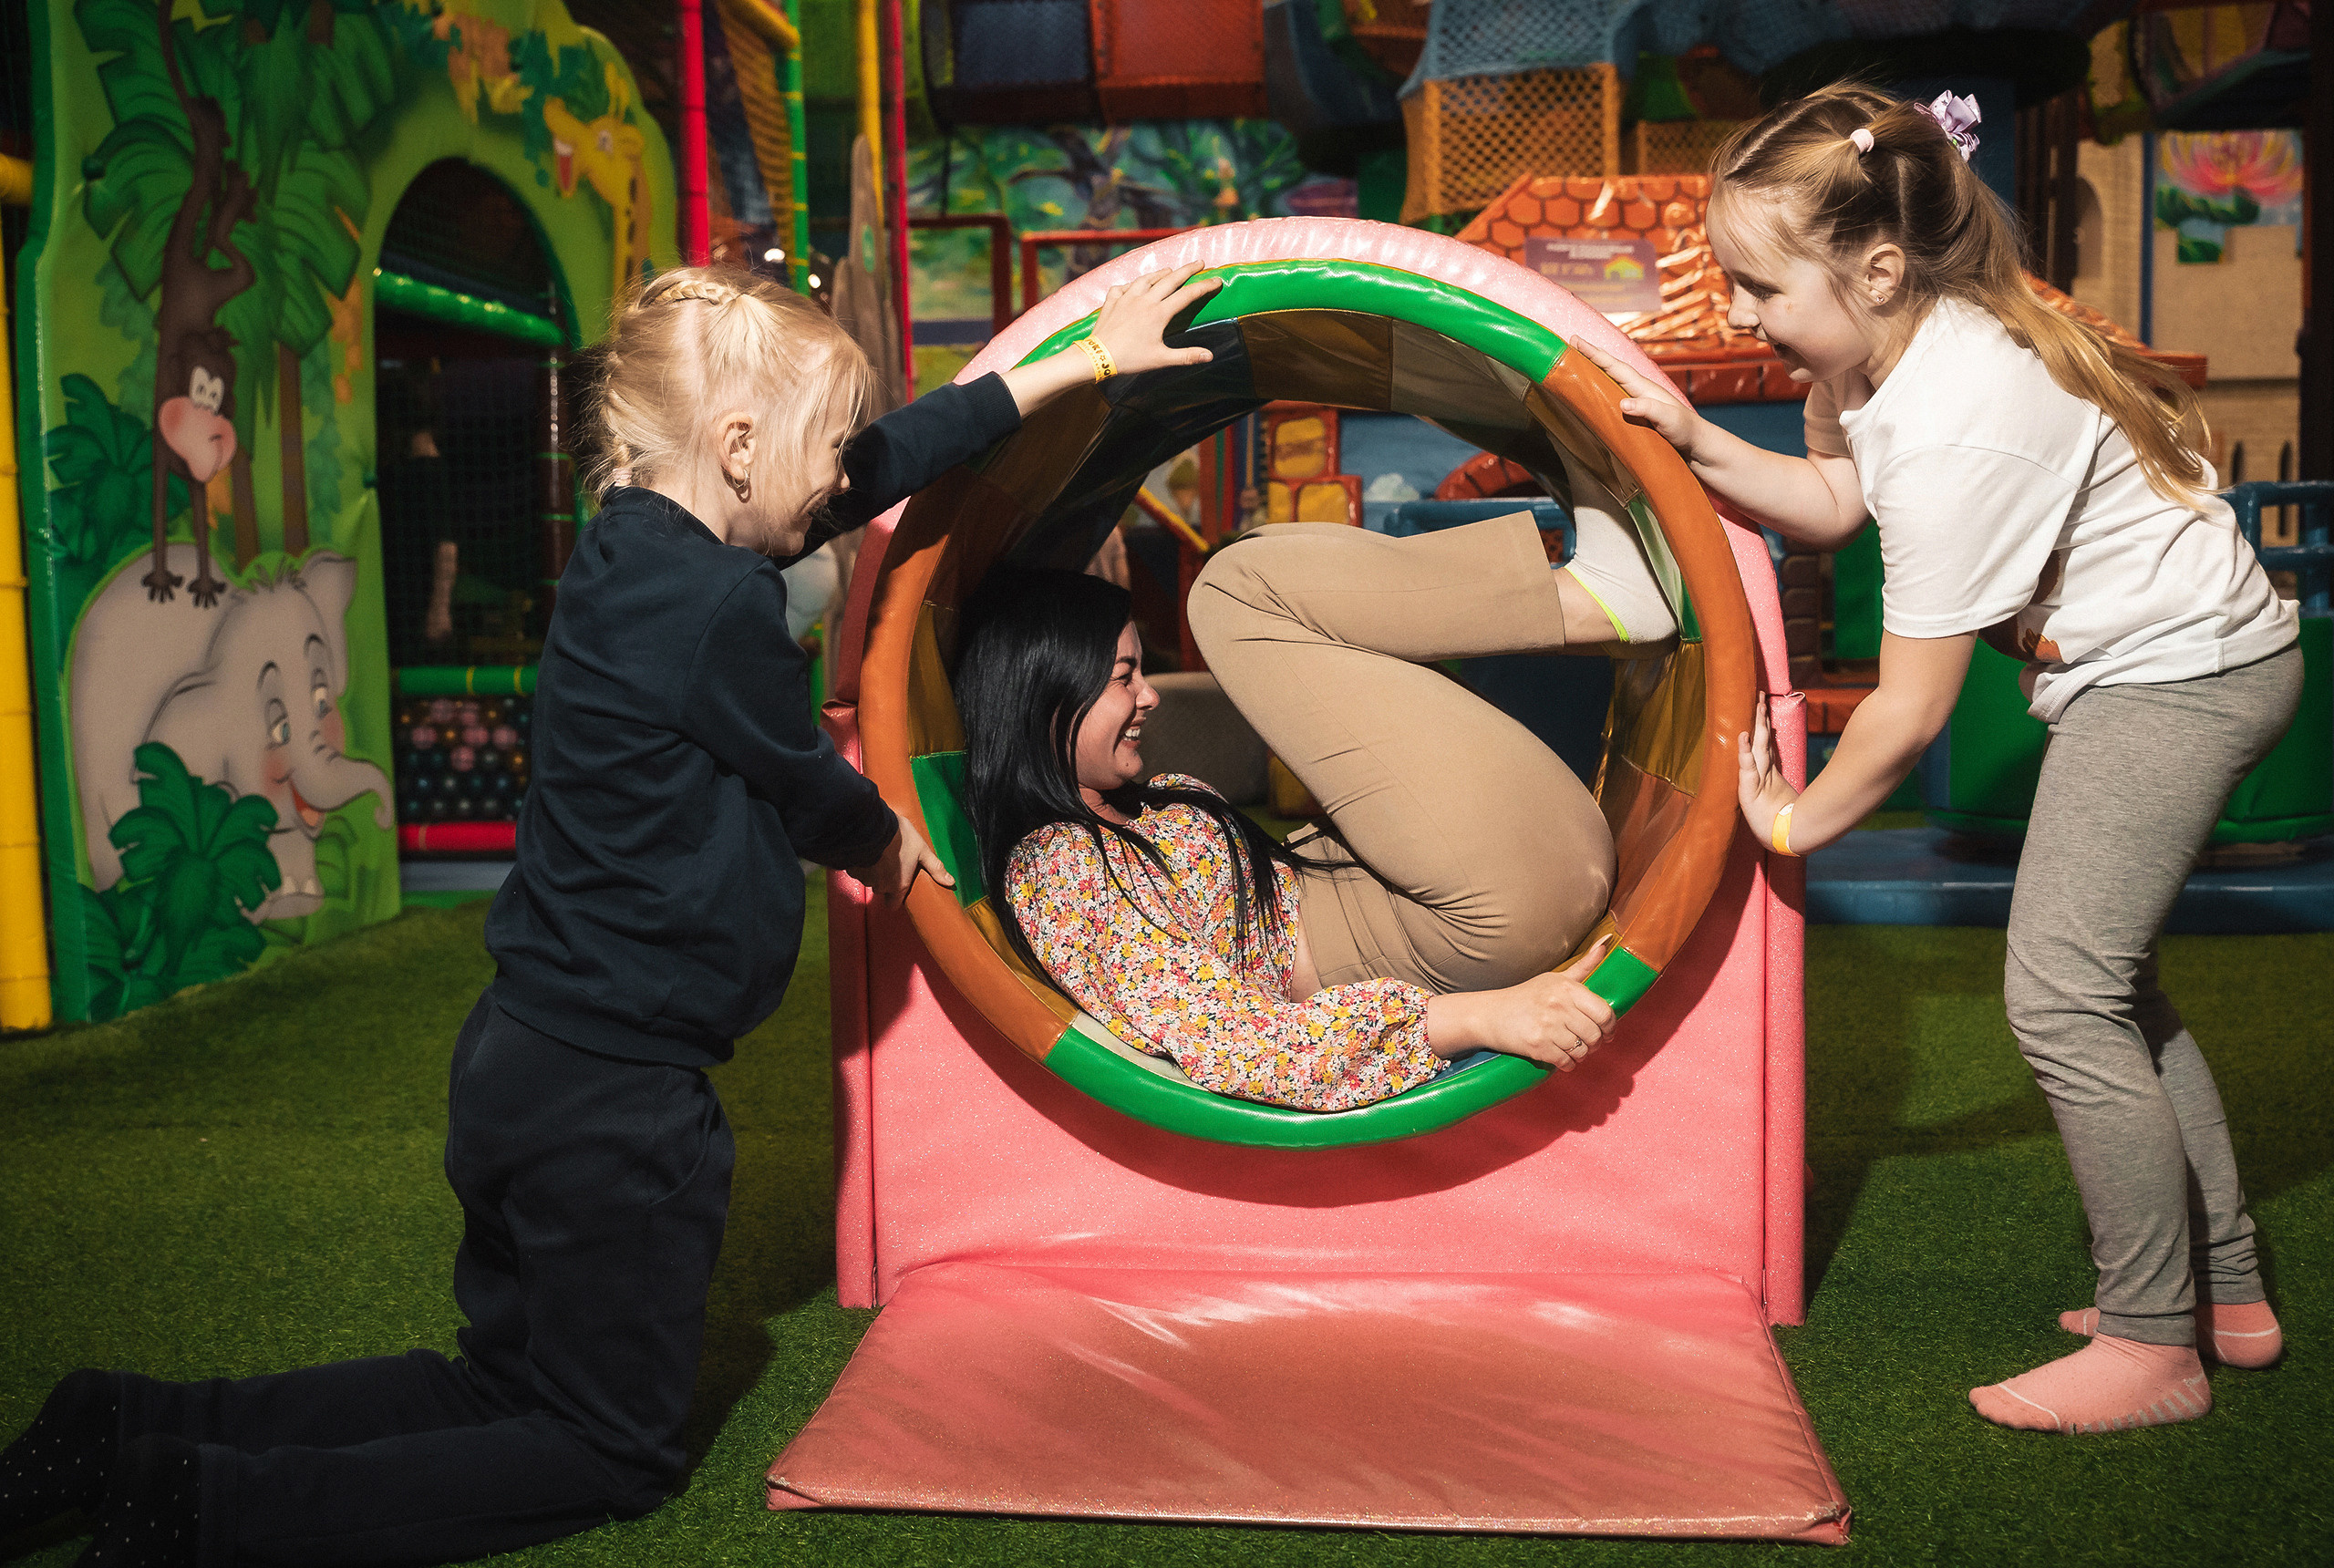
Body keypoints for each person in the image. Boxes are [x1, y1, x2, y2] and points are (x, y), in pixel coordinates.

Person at [0, 260, 1220, 1566]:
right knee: (607, 1450)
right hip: (617, 1101)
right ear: (738, 449)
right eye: (822, 449)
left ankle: (118, 1430)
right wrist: (887, 841)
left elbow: (875, 469)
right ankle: (196, 1511)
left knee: (496, 1386)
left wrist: (1068, 366)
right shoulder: (721, 609)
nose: (841, 478)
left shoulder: (630, 548)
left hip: (521, 1053)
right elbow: (799, 778)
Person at [1580, 83, 2298, 1435]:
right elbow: (1833, 504)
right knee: (2111, 984)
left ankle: (2154, 1344)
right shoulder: (1889, 355)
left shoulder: (1955, 411)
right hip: (2187, 659)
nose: (1737, 311)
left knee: (2060, 997)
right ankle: (2226, 1292)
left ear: (1876, 268)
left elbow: (1910, 712)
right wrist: (1703, 440)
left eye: (1758, 286)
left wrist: (1793, 820)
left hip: (2180, 679)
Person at [955, 459, 1683, 1112]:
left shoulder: (1128, 810)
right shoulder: (1057, 871)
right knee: (1232, 594)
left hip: (1445, 890)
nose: (1149, 696)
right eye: (1123, 678)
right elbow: (1241, 1047)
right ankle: (1592, 602)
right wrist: (1479, 1017)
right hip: (1451, 924)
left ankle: (1596, 605)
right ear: (1041, 702)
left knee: (1254, 581)